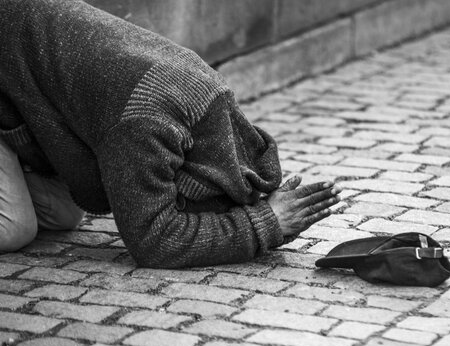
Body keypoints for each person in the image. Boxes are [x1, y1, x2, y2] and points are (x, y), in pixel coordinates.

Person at [0, 0, 341, 268]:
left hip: (17, 81)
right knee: (15, 228)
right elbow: (153, 241)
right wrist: (266, 223)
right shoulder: (146, 127)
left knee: (63, 214)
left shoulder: (211, 101)